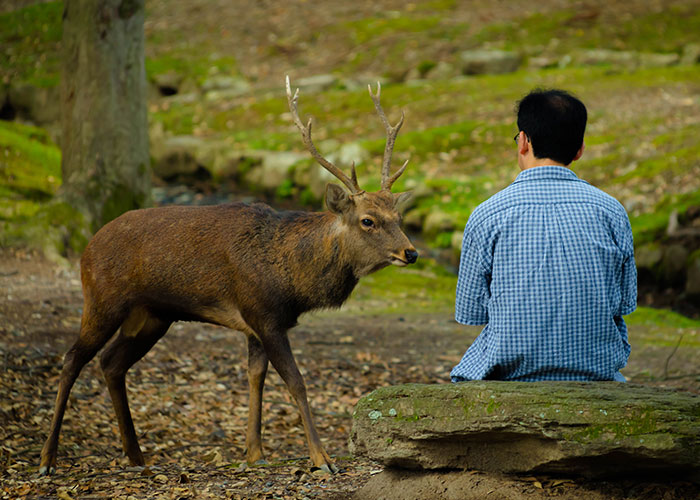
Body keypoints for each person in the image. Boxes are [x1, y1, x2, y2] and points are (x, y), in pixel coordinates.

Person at [451, 88, 637, 382]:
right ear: (580, 149)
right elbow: (625, 303)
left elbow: (471, 312)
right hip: (595, 374)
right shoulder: (612, 211)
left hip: (511, 374)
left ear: (523, 141)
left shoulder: (487, 214)